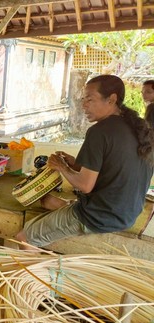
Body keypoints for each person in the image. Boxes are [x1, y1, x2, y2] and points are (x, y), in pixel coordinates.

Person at [16, 74, 154, 250]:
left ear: (112, 99)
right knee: (47, 202)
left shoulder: (100, 131)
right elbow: (110, 169)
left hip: (100, 217)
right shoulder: (139, 127)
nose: (84, 105)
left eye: (90, 99)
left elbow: (85, 186)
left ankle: (35, 276)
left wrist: (62, 167)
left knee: (24, 238)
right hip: (127, 212)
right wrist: (74, 164)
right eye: (83, 99)